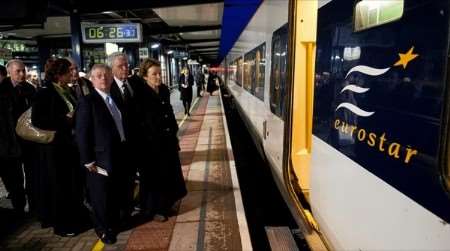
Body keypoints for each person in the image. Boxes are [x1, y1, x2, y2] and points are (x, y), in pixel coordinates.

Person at [32, 58, 86, 236]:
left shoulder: (66, 90)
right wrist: (65, 120)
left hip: (70, 147)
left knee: (73, 185)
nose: (72, 74)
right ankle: (63, 226)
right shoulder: (45, 92)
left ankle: (76, 218)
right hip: (55, 149)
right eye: (67, 71)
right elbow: (38, 120)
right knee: (60, 187)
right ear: (58, 74)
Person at [75, 64, 128, 244]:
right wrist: (87, 160)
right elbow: (82, 133)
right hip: (99, 159)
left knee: (113, 193)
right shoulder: (87, 101)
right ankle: (103, 229)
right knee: (100, 197)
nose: (103, 78)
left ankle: (113, 223)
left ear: (112, 77)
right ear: (91, 80)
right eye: (98, 76)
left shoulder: (115, 99)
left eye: (106, 75)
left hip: (118, 154)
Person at [137, 58, 187, 222]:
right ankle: (155, 209)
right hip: (151, 144)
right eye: (154, 74)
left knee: (170, 174)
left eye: (159, 73)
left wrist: (174, 132)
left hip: (168, 140)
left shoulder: (164, 89)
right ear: (145, 76)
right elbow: (140, 121)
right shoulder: (140, 93)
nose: (158, 77)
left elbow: (169, 112)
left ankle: (166, 204)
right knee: (155, 177)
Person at [107, 52, 140, 221]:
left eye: (126, 65)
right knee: (121, 180)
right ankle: (123, 212)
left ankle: (130, 204)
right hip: (119, 146)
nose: (125, 68)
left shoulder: (133, 83)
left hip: (134, 143)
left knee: (132, 177)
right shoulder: (108, 89)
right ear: (111, 69)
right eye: (121, 66)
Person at [0, 59, 35, 216]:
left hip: (28, 141)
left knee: (33, 176)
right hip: (9, 144)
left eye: (23, 71)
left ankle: (35, 208)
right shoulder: (2, 91)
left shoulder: (30, 89)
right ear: (9, 72)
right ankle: (19, 210)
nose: (22, 74)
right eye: (18, 71)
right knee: (15, 181)